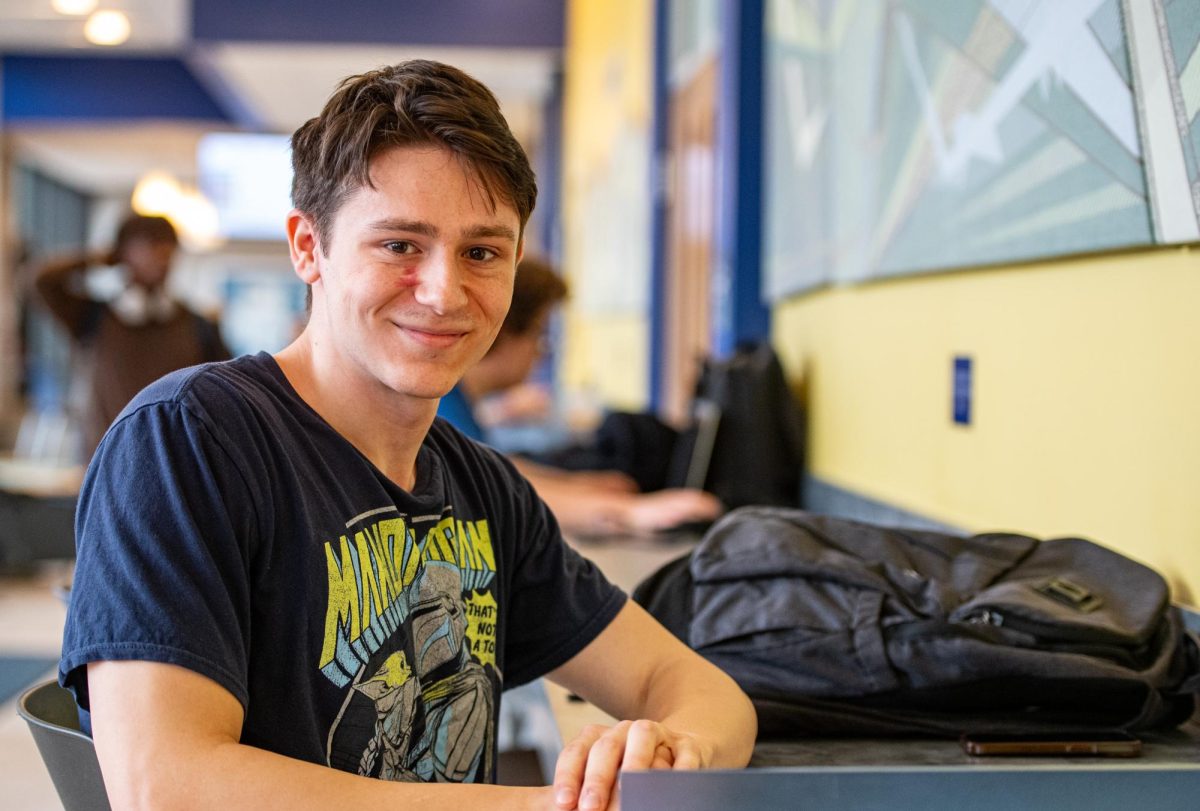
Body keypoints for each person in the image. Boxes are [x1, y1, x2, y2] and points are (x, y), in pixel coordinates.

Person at [59, 59, 756, 810]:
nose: (443, 291)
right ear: (307, 247)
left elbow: (702, 691)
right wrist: (541, 806)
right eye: (399, 245)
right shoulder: (187, 441)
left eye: (482, 252)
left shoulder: (484, 488)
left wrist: (671, 748)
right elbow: (165, 785)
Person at [439, 256, 723, 535]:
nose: (539, 351)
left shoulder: (457, 401)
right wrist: (627, 512)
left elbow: (494, 469)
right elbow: (480, 491)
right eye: (538, 333)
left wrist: (579, 485)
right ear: (503, 330)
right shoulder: (441, 402)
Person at [34, 214, 229, 456]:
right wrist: (101, 258)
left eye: (165, 248)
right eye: (145, 248)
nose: (158, 258)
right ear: (123, 253)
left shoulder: (198, 325)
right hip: (105, 461)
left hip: (177, 462)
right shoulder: (94, 316)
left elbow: (222, 395)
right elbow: (40, 280)